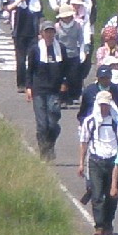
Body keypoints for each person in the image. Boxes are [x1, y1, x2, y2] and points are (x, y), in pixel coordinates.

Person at [78, 88, 118, 235]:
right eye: (101, 105)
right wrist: (81, 163)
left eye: (106, 105)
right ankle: (99, 226)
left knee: (112, 194)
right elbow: (84, 142)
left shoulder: (116, 122)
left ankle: (108, 223)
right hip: (95, 161)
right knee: (97, 194)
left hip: (113, 161)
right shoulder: (90, 122)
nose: (104, 108)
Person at [25, 20, 66, 159]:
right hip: (39, 91)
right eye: (46, 31)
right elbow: (29, 70)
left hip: (54, 91)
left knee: (53, 123)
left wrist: (64, 83)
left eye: (51, 31)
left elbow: (65, 69)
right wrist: (28, 87)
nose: (49, 34)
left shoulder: (60, 48)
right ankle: (44, 151)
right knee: (42, 124)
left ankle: (50, 145)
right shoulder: (35, 49)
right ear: (41, 33)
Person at [10, 0, 44, 91]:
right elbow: (9, 9)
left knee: (32, 60)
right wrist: (19, 1)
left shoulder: (36, 2)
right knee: (20, 61)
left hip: (32, 35)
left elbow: (39, 17)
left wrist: (40, 33)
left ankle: (30, 83)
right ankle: (21, 84)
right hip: (19, 34)